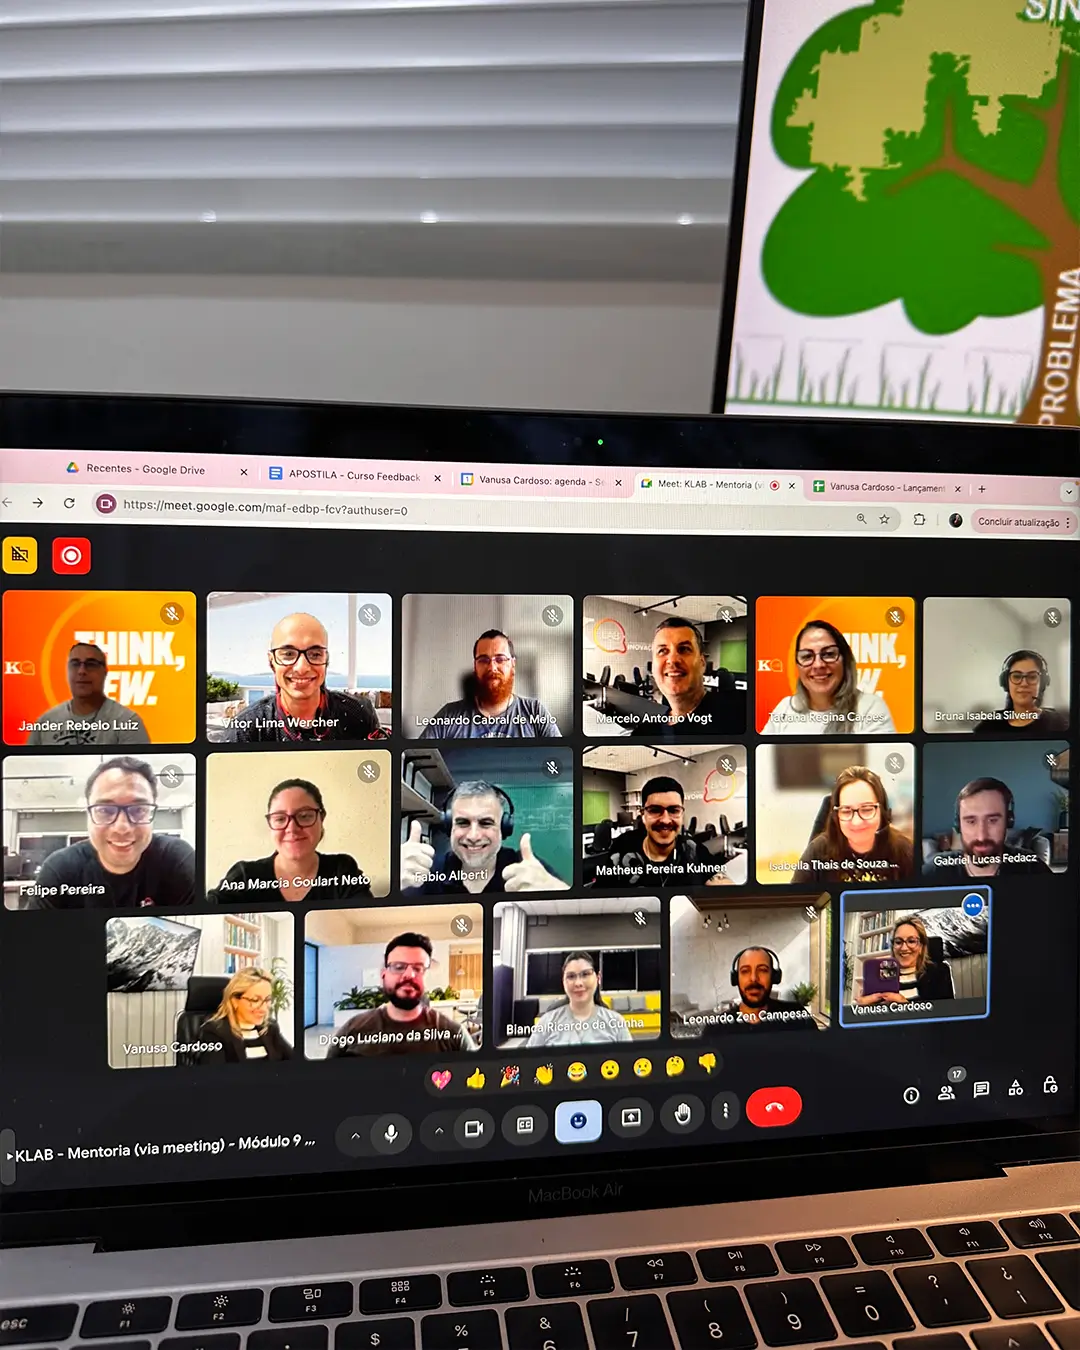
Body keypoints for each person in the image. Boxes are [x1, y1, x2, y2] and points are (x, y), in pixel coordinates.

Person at [25, 756, 196, 909]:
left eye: (138, 809)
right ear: (88, 814)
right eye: (105, 810)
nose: (122, 827)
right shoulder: (60, 868)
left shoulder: (177, 860)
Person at [207, 778, 371, 904]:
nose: (292, 828)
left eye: (304, 816)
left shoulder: (342, 869)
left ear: (321, 818)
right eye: (280, 819)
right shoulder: (245, 876)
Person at [229, 612, 381, 743]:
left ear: (326, 660)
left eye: (315, 654)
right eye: (288, 654)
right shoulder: (246, 727)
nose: (301, 668)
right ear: (271, 661)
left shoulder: (359, 712)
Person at [401, 781, 568, 895]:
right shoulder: (428, 871)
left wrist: (555, 890)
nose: (473, 836)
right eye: (463, 823)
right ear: (449, 826)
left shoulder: (527, 868)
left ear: (504, 827)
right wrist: (394, 880)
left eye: (486, 823)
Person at [327, 933, 478, 1056]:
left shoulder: (454, 1034)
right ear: (383, 974)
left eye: (418, 968)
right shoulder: (352, 1030)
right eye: (398, 967)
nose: (409, 975)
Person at [762, 620, 894, 736]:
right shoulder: (785, 708)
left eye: (829, 654)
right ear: (798, 665)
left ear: (845, 660)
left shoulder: (870, 708)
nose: (818, 664)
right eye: (807, 656)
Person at [593, 777, 732, 887]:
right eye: (655, 810)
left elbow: (721, 882)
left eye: (674, 810)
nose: (665, 820)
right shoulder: (623, 845)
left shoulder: (691, 849)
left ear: (682, 814)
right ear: (643, 815)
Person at [422, 630, 561, 738]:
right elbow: (419, 760)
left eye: (500, 659)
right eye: (483, 660)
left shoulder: (534, 711)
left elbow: (560, 760)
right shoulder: (448, 716)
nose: (492, 668)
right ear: (475, 666)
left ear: (513, 664)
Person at [795, 766, 913, 884]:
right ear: (836, 816)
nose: (857, 822)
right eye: (846, 811)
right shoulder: (817, 851)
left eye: (866, 810)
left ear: (883, 812)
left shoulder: (905, 852)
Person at [626, 620, 744, 736]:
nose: (673, 660)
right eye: (662, 651)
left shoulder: (744, 710)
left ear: (702, 662)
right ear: (653, 667)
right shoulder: (644, 734)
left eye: (684, 649)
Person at [25, 642, 150, 746]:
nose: (81, 671)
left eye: (91, 664)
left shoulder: (127, 721)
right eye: (75, 664)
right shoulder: (45, 722)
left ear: (105, 672)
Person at [926, 777, 1052, 879]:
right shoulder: (935, 870)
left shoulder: (1033, 868)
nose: (981, 836)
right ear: (959, 825)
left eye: (992, 821)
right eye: (971, 821)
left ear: (1008, 821)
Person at [526, 951, 634, 1047]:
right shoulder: (546, 1022)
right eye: (571, 976)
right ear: (563, 981)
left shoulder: (616, 1022)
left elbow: (629, 1060)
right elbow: (528, 1060)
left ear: (598, 978)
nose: (578, 983)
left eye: (585, 974)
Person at [195, 968, 293, 1063]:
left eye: (268, 1000)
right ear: (234, 1001)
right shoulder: (213, 1032)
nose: (264, 1008)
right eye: (255, 1000)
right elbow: (215, 1073)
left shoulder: (270, 1028)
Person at [854, 916, 954, 1006]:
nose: (904, 948)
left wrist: (905, 1006)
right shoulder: (882, 974)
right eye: (898, 942)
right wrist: (864, 1009)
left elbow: (946, 1016)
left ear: (921, 947)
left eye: (911, 941)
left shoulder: (939, 973)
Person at [972, 650, 1068, 735]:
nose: (1024, 684)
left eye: (1032, 677)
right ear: (1006, 683)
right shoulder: (990, 725)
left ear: (1042, 683)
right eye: (1017, 676)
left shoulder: (1057, 723)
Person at [723, 947, 816, 1028]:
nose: (754, 978)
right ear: (736, 979)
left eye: (762, 970)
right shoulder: (719, 1026)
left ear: (774, 977)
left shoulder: (797, 1016)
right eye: (745, 971)